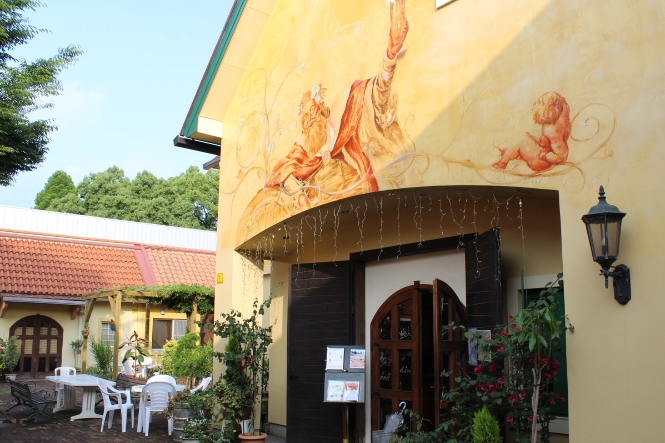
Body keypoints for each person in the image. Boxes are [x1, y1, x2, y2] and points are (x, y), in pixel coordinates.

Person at [265, 0, 410, 209]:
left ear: (323, 111)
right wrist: (301, 198)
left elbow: (376, 91)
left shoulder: (343, 114)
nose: (311, 119)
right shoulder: (303, 149)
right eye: (306, 118)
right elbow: (284, 171)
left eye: (313, 112)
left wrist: (390, 58)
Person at [492, 91, 571, 172]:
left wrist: (548, 156)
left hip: (541, 162)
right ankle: (510, 152)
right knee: (529, 140)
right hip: (543, 151)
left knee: (522, 138)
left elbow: (562, 156)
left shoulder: (552, 131)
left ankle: (502, 163)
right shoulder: (561, 116)